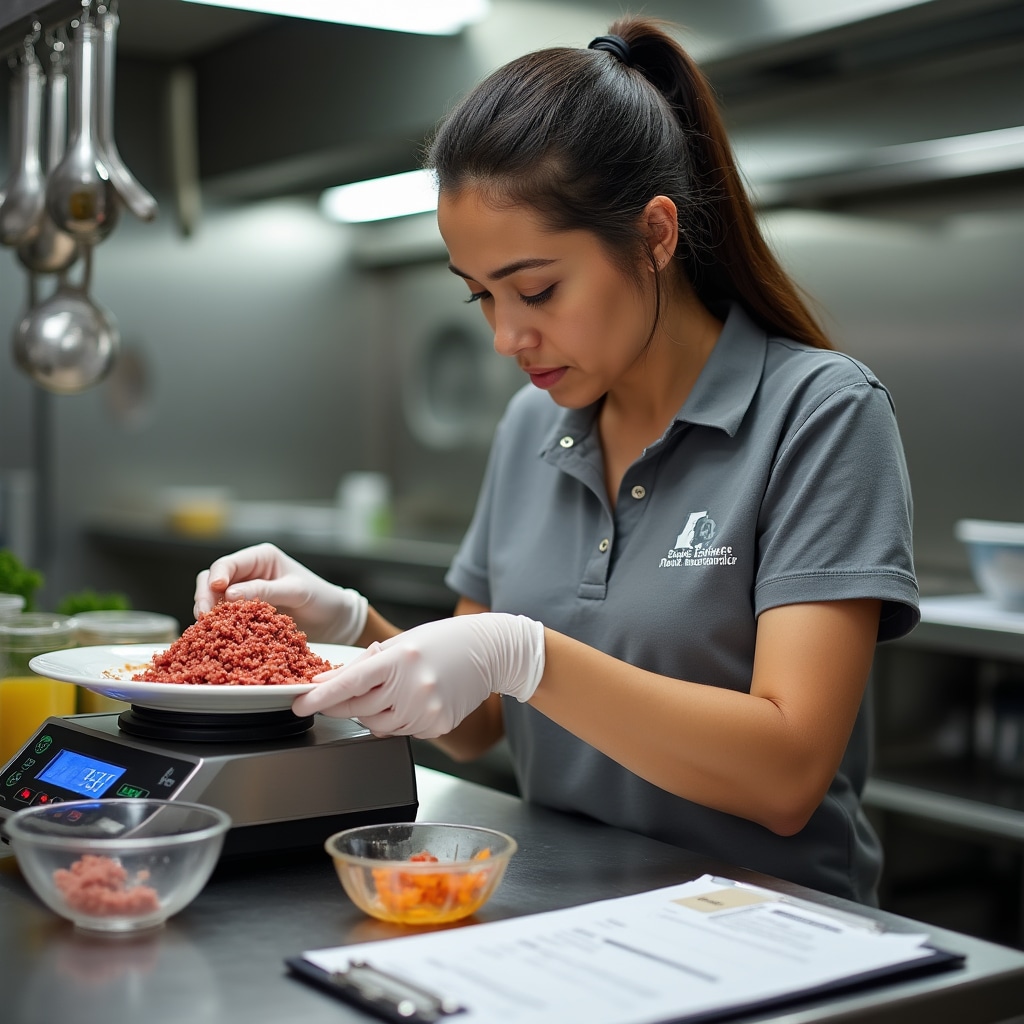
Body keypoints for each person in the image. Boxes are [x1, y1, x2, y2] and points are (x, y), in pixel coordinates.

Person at [194, 17, 917, 905]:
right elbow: (480, 722)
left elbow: (786, 774)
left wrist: (524, 651)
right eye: (481, 297)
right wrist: (354, 626)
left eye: (536, 290)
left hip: (768, 928)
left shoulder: (819, 414)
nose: (507, 336)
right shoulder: (534, 423)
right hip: (573, 910)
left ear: (655, 236)